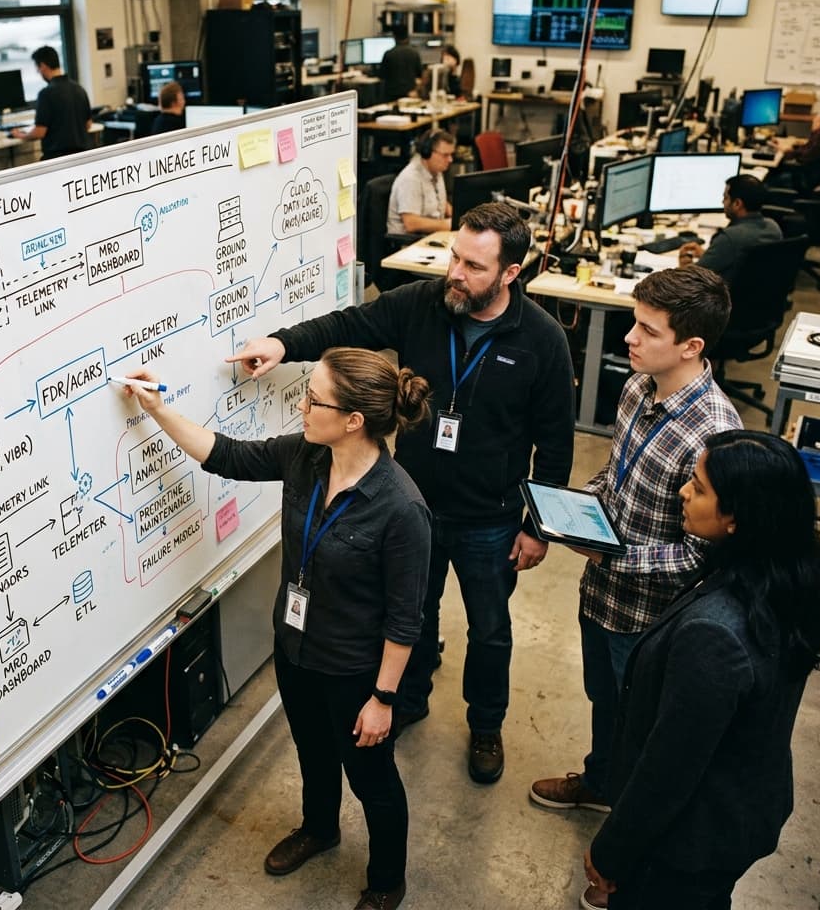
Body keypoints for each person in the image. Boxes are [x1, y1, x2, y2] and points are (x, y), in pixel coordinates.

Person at [227, 202, 576, 785]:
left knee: (490, 629)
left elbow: (556, 442)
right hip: (413, 509)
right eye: (454, 257)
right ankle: (408, 697)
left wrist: (538, 527)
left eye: (473, 266)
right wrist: (285, 344)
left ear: (510, 274)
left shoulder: (542, 339)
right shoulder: (423, 305)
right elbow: (348, 326)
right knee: (414, 612)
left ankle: (486, 724)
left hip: (490, 516)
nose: (456, 274)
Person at [117, 348, 432, 910]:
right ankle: (319, 828)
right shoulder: (306, 455)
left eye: (314, 398)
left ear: (354, 421)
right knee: (312, 751)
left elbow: (405, 620)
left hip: (356, 671)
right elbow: (227, 455)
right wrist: (158, 408)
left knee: (372, 781)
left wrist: (384, 698)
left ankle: (387, 881)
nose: (302, 406)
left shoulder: (401, 508)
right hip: (295, 647)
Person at [583, 430, 820, 910]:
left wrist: (611, 851)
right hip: (737, 813)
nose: (683, 492)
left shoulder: (715, 635)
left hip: (688, 841)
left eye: (698, 488)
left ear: (737, 517)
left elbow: (669, 767)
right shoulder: (783, 578)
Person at [530, 266, 742, 823]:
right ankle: (602, 781)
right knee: (608, 703)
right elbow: (614, 475)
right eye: (634, 323)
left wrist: (616, 554)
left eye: (649, 330)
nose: (630, 338)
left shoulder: (714, 435)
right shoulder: (635, 387)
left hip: (653, 619)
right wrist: (581, 511)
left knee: (647, 732)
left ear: (691, 346)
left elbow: (705, 556)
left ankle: (625, 842)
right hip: (602, 596)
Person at [677, 174, 782, 283]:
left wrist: (685, 264)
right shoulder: (773, 227)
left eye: (725, 198)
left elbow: (690, 281)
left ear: (737, 204)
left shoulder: (729, 238)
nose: (723, 202)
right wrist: (708, 255)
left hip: (726, 298)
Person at [12, 45, 92, 159]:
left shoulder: (46, 94)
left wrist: (20, 135)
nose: (38, 72)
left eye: (37, 68)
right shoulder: (79, 89)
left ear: (43, 66)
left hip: (57, 160)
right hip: (82, 157)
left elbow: (40, 132)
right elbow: (88, 125)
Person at [771, 85, 820, 192]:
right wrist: (793, 147)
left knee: (769, 178)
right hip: (810, 176)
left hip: (807, 181)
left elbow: (808, 157)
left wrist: (788, 152)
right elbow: (813, 147)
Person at [385, 129, 455, 235]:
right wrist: (446, 224)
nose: (450, 160)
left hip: (431, 236)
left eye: (451, 154)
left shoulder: (437, 171)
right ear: (427, 153)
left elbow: (439, 201)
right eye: (445, 155)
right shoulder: (410, 178)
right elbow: (411, 223)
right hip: (410, 243)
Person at [379, 24, 422, 103]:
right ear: (408, 37)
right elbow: (419, 75)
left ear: (394, 37)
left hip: (391, 96)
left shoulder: (388, 54)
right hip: (410, 94)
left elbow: (381, 75)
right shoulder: (414, 53)